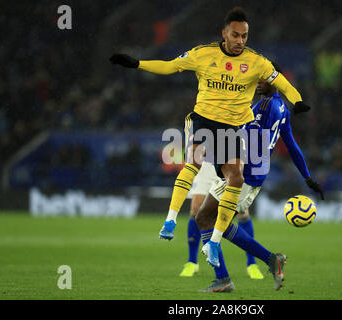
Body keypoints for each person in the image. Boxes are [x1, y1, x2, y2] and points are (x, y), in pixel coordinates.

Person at [110, 7, 312, 264]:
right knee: (193, 162)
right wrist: (137, 63)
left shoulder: (256, 62)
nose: (240, 41)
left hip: (230, 129)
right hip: (204, 119)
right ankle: (170, 220)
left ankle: (214, 243)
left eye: (245, 36)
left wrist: (297, 100)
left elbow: (281, 82)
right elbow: (170, 66)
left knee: (235, 179)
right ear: (224, 33)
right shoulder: (203, 54)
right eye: (236, 35)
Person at [195, 62, 324, 292]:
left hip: (244, 175)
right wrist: (307, 177)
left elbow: (250, 142)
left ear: (274, 80)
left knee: (208, 219)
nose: (257, 83)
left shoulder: (265, 107)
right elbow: (292, 145)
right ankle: (240, 272)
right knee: (208, 219)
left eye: (261, 79)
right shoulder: (281, 107)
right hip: (243, 173)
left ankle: (238, 274)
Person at [179, 161, 264, 280]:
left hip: (229, 160)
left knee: (242, 212)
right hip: (207, 162)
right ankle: (192, 262)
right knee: (196, 209)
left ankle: (252, 264)